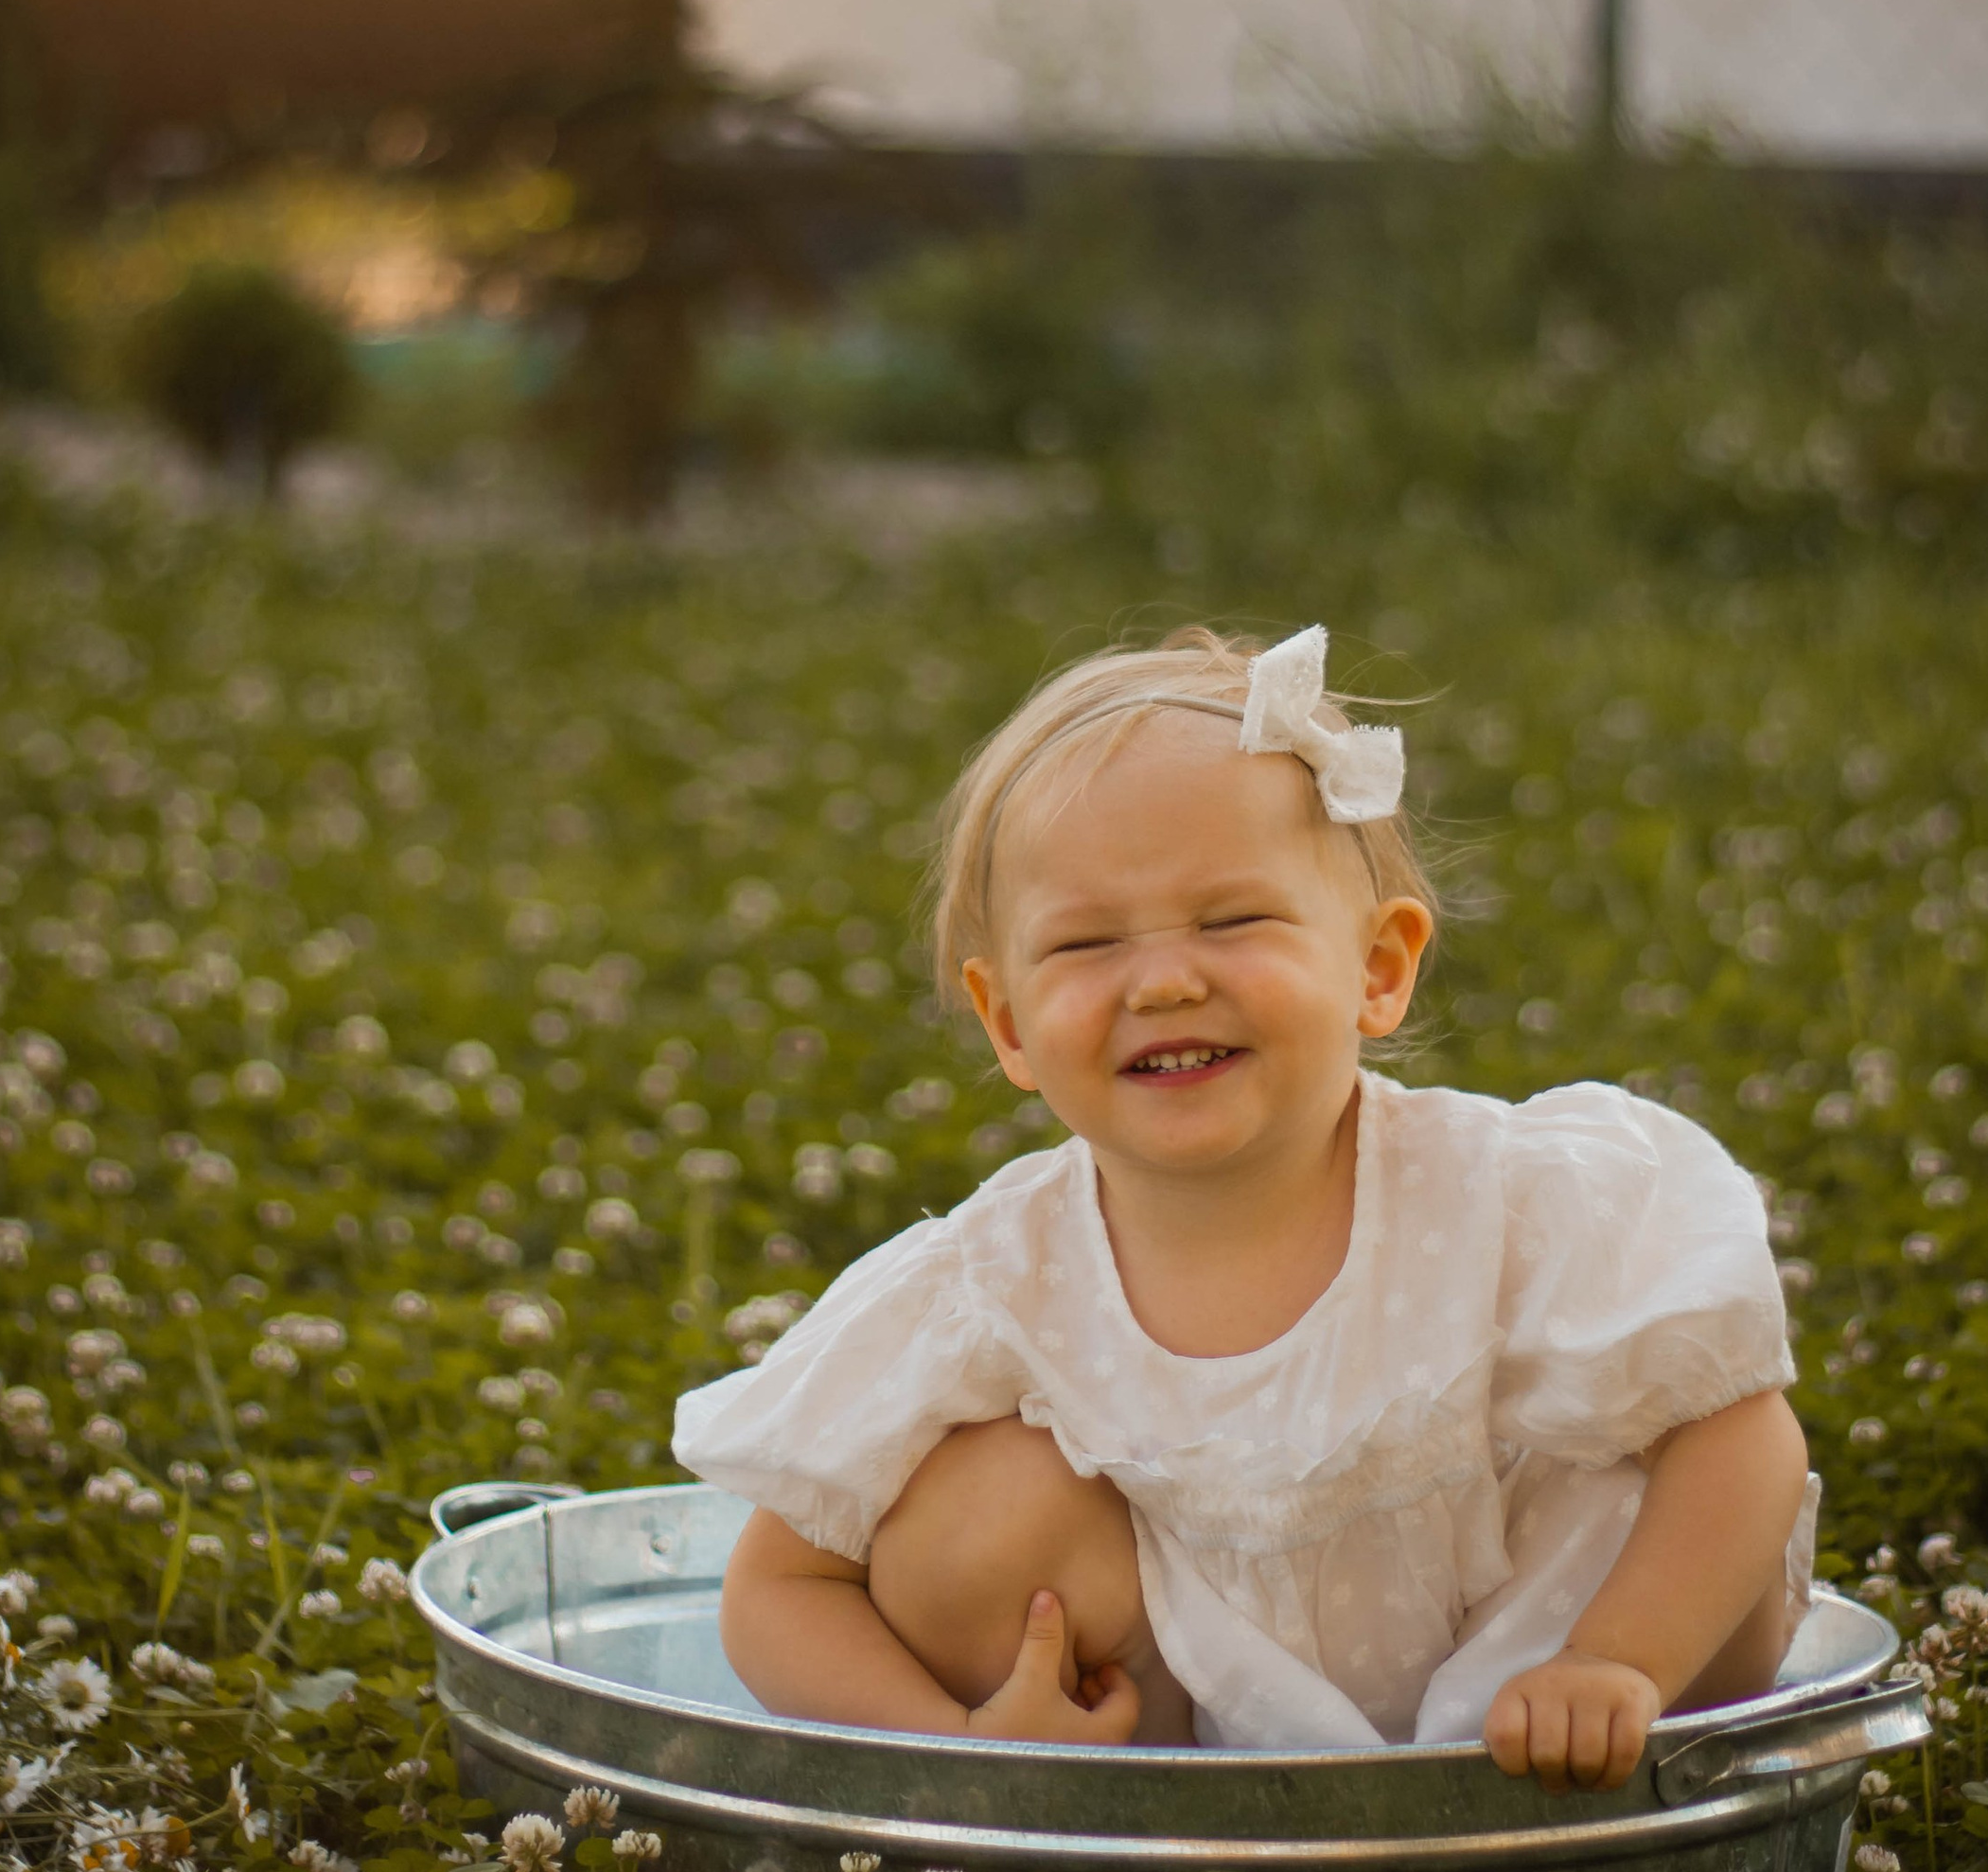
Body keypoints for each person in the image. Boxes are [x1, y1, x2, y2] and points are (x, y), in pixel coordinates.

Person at [674, 626, 1815, 1793]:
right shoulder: (995, 1278)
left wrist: (1619, 1661)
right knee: (964, 1523)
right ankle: (1166, 1836)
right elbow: (776, 1590)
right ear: (1007, 1024)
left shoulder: (1505, 1195)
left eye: (1231, 922)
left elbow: (1742, 1433)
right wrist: (965, 1755)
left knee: (1683, 1487)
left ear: (1377, 967)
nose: (1164, 980)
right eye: (1084, 942)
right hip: (1207, 1706)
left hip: (1558, 1677)